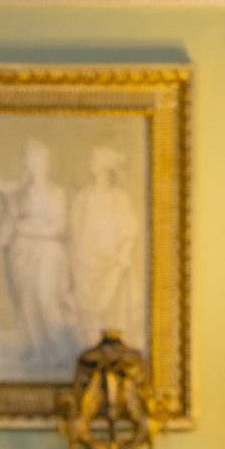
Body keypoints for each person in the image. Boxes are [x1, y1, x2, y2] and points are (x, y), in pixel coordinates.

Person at [0, 138, 80, 366]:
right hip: (21, 254)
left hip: (47, 253)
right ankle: (38, 351)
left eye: (34, 158)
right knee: (27, 301)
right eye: (27, 158)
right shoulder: (20, 191)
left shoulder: (56, 192)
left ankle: (60, 351)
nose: (29, 163)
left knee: (46, 298)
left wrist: (27, 229)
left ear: (43, 162)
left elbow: (58, 228)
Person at [70, 146, 142, 346]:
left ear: (105, 167)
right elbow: (75, 229)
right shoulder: (83, 196)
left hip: (111, 264)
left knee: (113, 310)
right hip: (86, 263)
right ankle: (91, 347)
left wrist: (123, 254)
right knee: (88, 310)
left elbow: (129, 231)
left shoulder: (119, 198)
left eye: (95, 159)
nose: (90, 162)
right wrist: (79, 254)